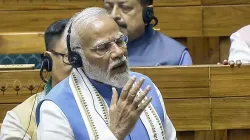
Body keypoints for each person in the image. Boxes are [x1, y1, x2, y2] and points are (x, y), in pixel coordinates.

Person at [36, 7, 177, 140]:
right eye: (102, 47)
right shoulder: (55, 108)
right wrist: (116, 133)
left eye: (120, 41)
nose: (119, 52)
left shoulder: (146, 86)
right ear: (77, 58)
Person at [0, 19, 72, 140]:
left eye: (84, 57)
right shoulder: (19, 121)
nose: (80, 66)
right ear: (48, 61)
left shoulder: (111, 106)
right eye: (70, 57)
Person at [103, 0, 192, 66]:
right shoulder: (93, 52)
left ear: (147, 13)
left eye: (126, 8)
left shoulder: (176, 57)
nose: (113, 15)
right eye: (108, 8)